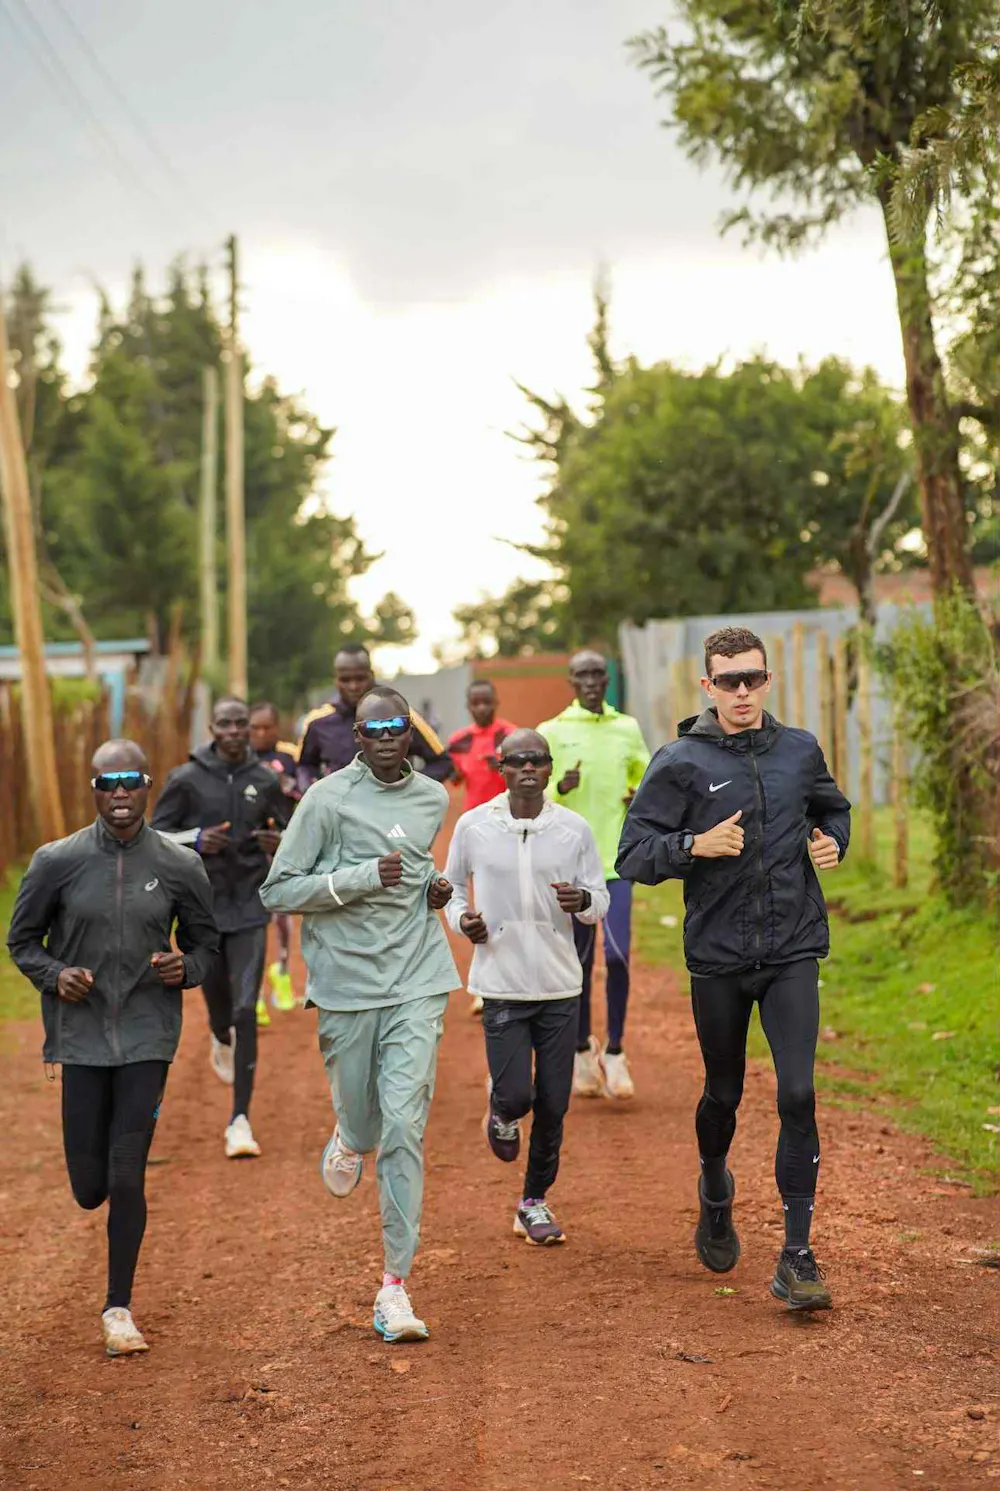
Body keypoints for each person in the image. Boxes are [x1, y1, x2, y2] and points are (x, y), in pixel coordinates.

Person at [616, 625, 851, 1312]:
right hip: (717, 955)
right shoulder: (680, 760)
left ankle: (797, 1255)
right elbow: (634, 853)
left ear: (768, 681)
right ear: (708, 685)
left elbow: (833, 808)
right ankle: (715, 1187)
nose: (742, 691)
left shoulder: (800, 750)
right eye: (728, 680)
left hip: (791, 949)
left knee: (798, 1093)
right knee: (724, 1091)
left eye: (752, 678)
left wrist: (832, 838)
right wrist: (696, 843)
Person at [261, 685, 459, 1344]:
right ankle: (348, 1131)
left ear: (411, 733)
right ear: (356, 736)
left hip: (418, 978)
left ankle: (395, 1287)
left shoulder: (433, 797)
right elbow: (279, 889)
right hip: (345, 986)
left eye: (396, 726)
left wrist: (432, 888)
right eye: (372, 728)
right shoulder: (326, 801)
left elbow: (421, 872)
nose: (384, 737)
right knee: (368, 1119)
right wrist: (360, 877)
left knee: (404, 1123)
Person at [7, 740, 217, 1356]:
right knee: (88, 1186)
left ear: (147, 786)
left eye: (130, 780)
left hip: (150, 1035)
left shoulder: (178, 864)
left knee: (127, 1172)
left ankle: (117, 1307)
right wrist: (55, 975)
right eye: (107, 783)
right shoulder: (57, 861)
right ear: (93, 788)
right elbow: (22, 942)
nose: (119, 793)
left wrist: (188, 968)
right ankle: (96, 1200)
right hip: (81, 1037)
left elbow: (206, 944)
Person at [444, 729, 608, 1246]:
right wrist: (462, 922)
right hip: (501, 983)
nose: (529, 769)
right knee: (517, 1095)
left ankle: (533, 1202)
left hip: (560, 986)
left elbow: (599, 900)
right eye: (518, 761)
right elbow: (448, 893)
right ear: (501, 768)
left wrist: (581, 900)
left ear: (550, 767)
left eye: (537, 760)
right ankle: (502, 1110)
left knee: (555, 1103)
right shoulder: (474, 827)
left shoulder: (573, 830)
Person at [151, 697, 293, 1160]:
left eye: (242, 724)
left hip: (251, 904)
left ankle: (239, 1120)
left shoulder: (264, 779)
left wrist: (280, 841)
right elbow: (153, 836)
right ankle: (219, 1035)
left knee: (246, 1008)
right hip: (201, 910)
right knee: (218, 1009)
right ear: (212, 727)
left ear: (251, 728)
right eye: (226, 724)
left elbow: (297, 832)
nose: (234, 731)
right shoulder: (187, 779)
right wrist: (196, 839)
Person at [539, 650, 650, 1101]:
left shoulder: (627, 727)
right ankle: (583, 1050)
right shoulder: (552, 731)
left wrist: (636, 795)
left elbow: (646, 778)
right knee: (578, 963)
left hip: (617, 863)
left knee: (619, 956)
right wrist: (557, 788)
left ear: (607, 679)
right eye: (582, 674)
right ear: (571, 680)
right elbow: (534, 791)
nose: (590, 681)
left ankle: (617, 1054)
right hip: (571, 868)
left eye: (597, 674)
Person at [297, 644, 453, 790]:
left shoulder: (401, 715)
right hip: (339, 814)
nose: (353, 686)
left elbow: (442, 762)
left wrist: (406, 789)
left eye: (360, 678)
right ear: (336, 680)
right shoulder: (318, 723)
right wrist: (313, 789)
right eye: (345, 680)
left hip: (390, 814)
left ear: (371, 675)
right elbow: (304, 765)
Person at [249, 700, 302, 1015]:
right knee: (252, 922)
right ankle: (251, 990)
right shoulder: (237, 759)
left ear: (277, 727)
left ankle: (281, 975)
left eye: (266, 727)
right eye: (254, 728)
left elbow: (305, 793)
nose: (260, 733)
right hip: (245, 853)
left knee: (283, 919)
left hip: (283, 848)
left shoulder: (289, 757)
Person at [447, 679, 517, 813]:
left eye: (487, 702)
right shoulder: (458, 740)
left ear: (496, 703)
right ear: (468, 706)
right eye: (475, 703)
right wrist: (454, 774)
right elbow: (455, 779)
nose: (481, 708)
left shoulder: (512, 735)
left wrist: (501, 767)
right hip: (474, 814)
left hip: (508, 812)